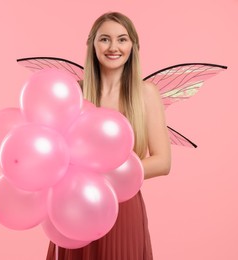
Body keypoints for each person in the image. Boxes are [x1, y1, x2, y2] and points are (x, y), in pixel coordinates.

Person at [46, 12, 171, 260]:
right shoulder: (75, 93)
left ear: (133, 46)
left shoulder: (146, 94)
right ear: (92, 44)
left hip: (122, 205)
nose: (113, 47)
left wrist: (108, 174)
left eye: (122, 39)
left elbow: (163, 162)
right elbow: (55, 154)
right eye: (105, 39)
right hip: (75, 204)